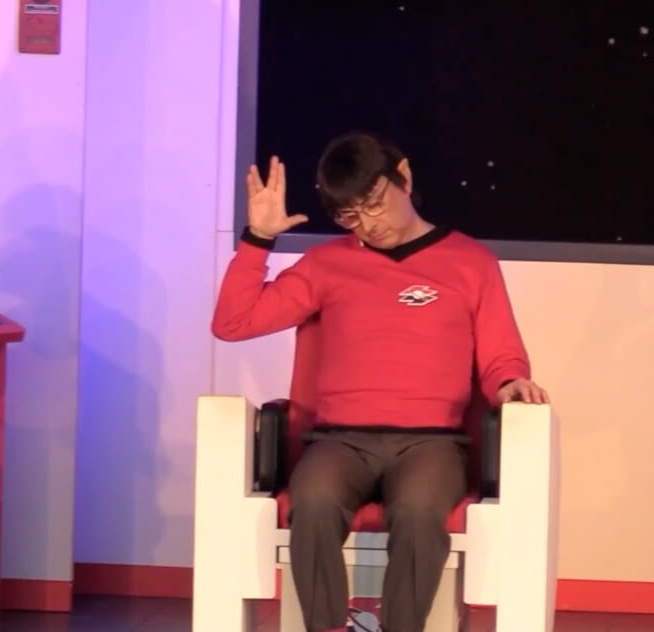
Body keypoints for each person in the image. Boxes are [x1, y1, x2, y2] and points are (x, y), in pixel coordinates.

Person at [211, 132, 550, 632]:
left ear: (403, 177)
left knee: (418, 511)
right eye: (350, 216)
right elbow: (233, 323)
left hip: (431, 444)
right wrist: (258, 239)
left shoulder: (471, 261)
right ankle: (328, 627)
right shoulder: (327, 264)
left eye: (374, 204)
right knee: (314, 502)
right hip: (339, 441)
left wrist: (511, 383)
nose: (369, 224)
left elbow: (501, 356)